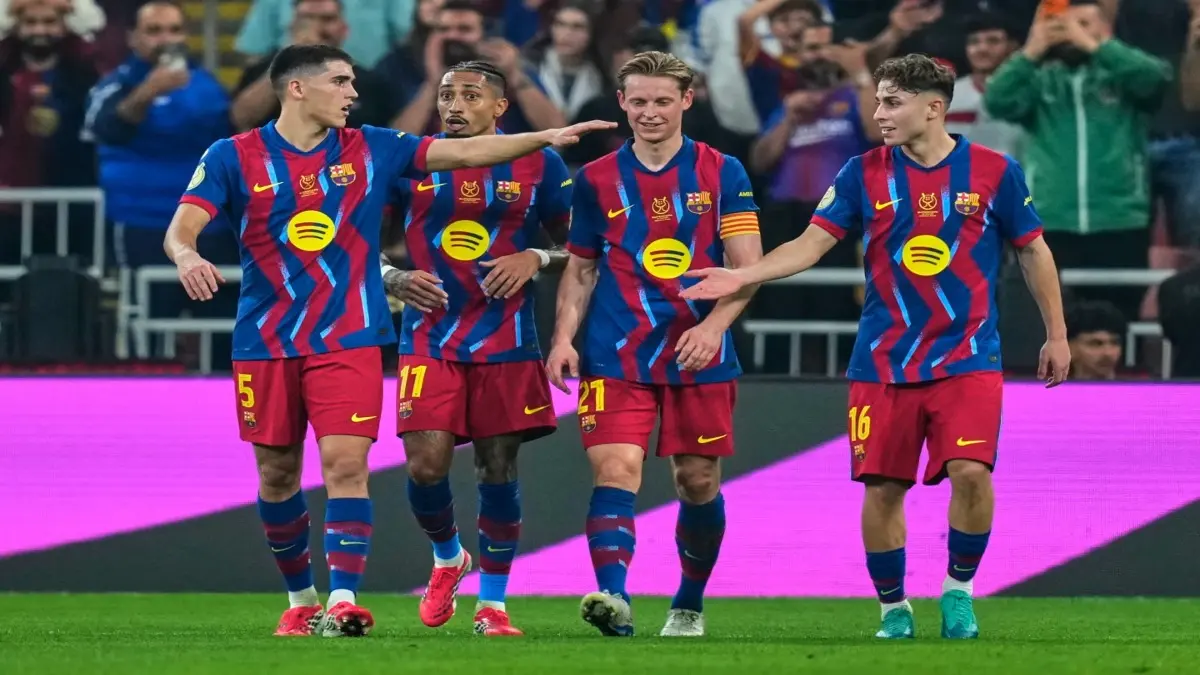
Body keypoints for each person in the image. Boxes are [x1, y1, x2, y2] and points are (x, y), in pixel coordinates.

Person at [161, 43, 612, 638]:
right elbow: (182, 228)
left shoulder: (375, 145)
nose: (354, 92)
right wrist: (188, 254)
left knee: (352, 466)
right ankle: (304, 600)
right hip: (266, 338)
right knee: (279, 475)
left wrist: (547, 138)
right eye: (341, 81)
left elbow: (475, 153)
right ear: (298, 88)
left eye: (352, 81)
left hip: (355, 336)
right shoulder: (232, 155)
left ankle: (347, 600)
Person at [681, 54, 1071, 640]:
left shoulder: (994, 171)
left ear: (933, 107)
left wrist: (1057, 333)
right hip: (883, 360)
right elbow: (811, 245)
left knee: (970, 472)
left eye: (893, 102)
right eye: (880, 99)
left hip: (967, 356)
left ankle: (959, 593)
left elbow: (1034, 250)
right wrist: (744, 276)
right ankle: (894, 609)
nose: (879, 112)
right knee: (884, 486)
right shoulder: (863, 171)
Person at [545, 50, 763, 638]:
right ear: (621, 102)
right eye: (637, 101)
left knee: (697, 481)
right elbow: (582, 268)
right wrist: (563, 337)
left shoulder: (724, 172)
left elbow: (749, 269)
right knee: (615, 469)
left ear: (687, 101)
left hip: (699, 350)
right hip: (615, 351)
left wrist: (713, 327)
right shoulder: (593, 179)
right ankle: (613, 598)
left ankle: (688, 602)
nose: (649, 112)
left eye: (662, 100)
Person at [379, 60, 573, 637]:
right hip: (429, 333)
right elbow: (349, 244)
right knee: (426, 463)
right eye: (446, 94)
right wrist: (392, 278)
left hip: (507, 339)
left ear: (499, 108)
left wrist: (536, 257)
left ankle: (494, 606)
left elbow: (583, 250)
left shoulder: (541, 162)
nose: (454, 105)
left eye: (470, 95)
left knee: (497, 467)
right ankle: (447, 557)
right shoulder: (409, 163)